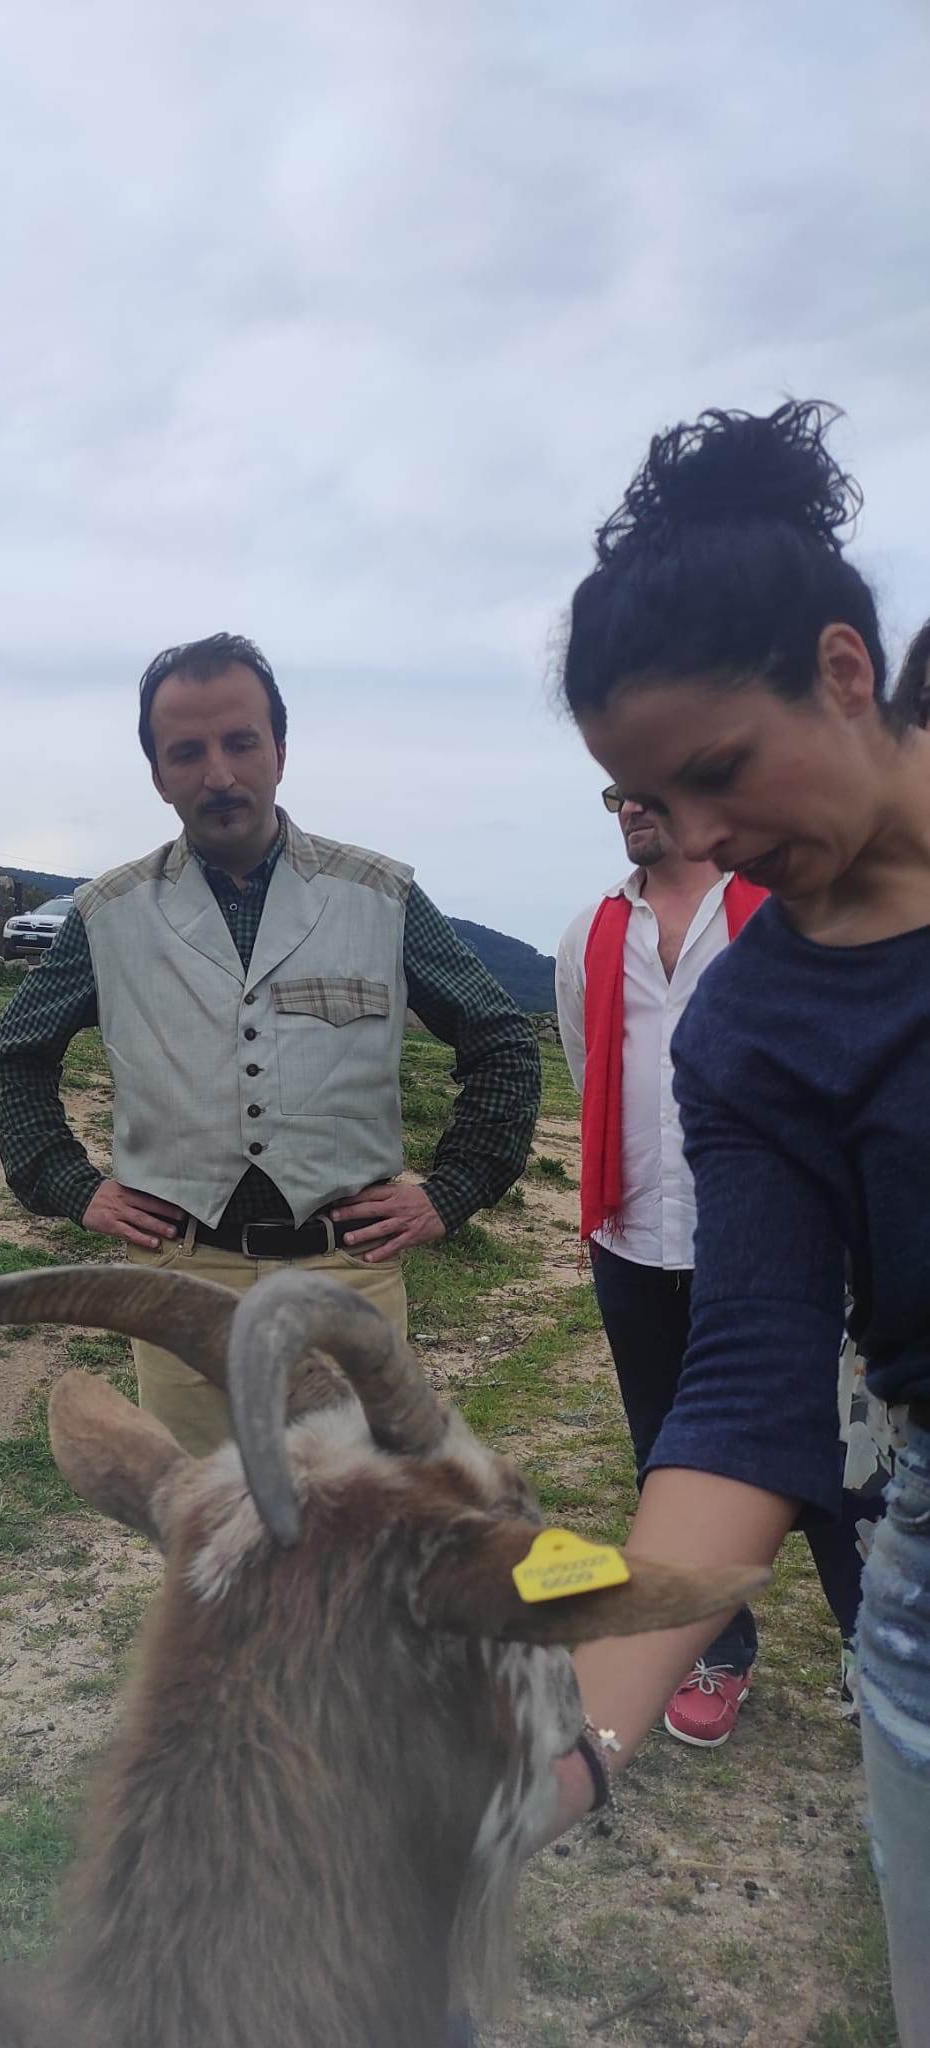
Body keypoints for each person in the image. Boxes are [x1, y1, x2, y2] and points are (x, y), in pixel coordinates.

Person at [545, 401, 930, 2043]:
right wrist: (571, 1745)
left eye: (713, 772)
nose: (694, 836)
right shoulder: (754, 1027)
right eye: (644, 795)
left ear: (845, 669)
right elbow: (752, 1389)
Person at [0, 632, 541, 1455]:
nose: (219, 774)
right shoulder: (110, 914)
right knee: (207, 1534)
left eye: (241, 742)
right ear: (157, 773)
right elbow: (14, 1054)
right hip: (179, 1279)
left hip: (345, 1277)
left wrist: (449, 1193)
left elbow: (502, 1041)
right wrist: (70, 1185)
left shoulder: (378, 898)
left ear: (280, 747)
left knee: (357, 1528)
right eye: (187, 752)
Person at [557, 787, 880, 1743]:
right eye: (614, 791)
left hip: (783, 1250)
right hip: (639, 1239)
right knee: (667, 1454)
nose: (630, 806)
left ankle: (883, 1658)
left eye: (651, 786)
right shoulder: (589, 934)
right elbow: (589, 1074)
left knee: (832, 1465)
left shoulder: (784, 918)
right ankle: (719, 1647)